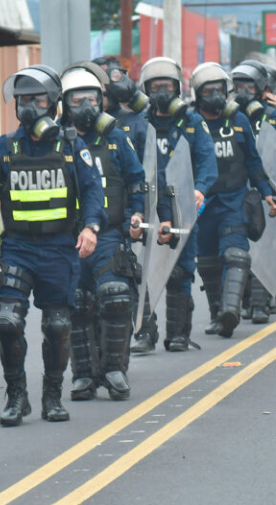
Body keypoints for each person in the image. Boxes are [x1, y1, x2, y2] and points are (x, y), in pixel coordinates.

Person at [0, 65, 106, 426]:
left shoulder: (72, 145)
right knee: (7, 321)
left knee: (57, 325)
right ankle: (16, 396)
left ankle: (52, 396)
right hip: (18, 248)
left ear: (53, 103)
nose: (29, 107)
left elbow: (92, 191)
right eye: (23, 100)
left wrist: (91, 227)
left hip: (59, 247)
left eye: (37, 99)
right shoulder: (5, 147)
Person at [59, 65, 145, 401]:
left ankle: (114, 369)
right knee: (77, 303)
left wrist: (136, 215)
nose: (86, 105)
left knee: (115, 294)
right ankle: (83, 375)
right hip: (68, 238)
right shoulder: (57, 140)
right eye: (77, 100)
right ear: (64, 104)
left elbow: (138, 181)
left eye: (92, 98)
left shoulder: (117, 138)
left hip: (109, 234)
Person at [131, 56, 218, 353]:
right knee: (140, 268)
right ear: (146, 89)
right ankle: (144, 332)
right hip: (145, 203)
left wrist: (200, 190)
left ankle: (179, 333)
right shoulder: (139, 124)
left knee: (180, 269)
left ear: (178, 88)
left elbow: (208, 162)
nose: (162, 91)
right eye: (156, 86)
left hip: (181, 205)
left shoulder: (192, 122)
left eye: (167, 85)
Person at [191, 62, 276, 339]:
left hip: (234, 201)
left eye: (219, 89)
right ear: (197, 93)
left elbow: (253, 162)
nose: (215, 94)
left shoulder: (239, 120)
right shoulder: (191, 123)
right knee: (207, 262)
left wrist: (266, 192)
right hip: (202, 204)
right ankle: (217, 314)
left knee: (235, 254)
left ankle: (231, 311)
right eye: (208, 90)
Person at [93, 57, 160, 350]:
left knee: (124, 272)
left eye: (104, 93)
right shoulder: (72, 128)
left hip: (123, 211)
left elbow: (150, 172)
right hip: (90, 216)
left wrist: (141, 212)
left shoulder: (135, 124)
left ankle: (145, 329)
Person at [231, 60, 276, 325]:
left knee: (265, 247)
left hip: (269, 190)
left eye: (249, 85)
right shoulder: (230, 116)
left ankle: (261, 302)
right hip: (237, 190)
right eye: (238, 85)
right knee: (239, 248)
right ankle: (246, 300)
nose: (242, 91)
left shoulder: (275, 117)